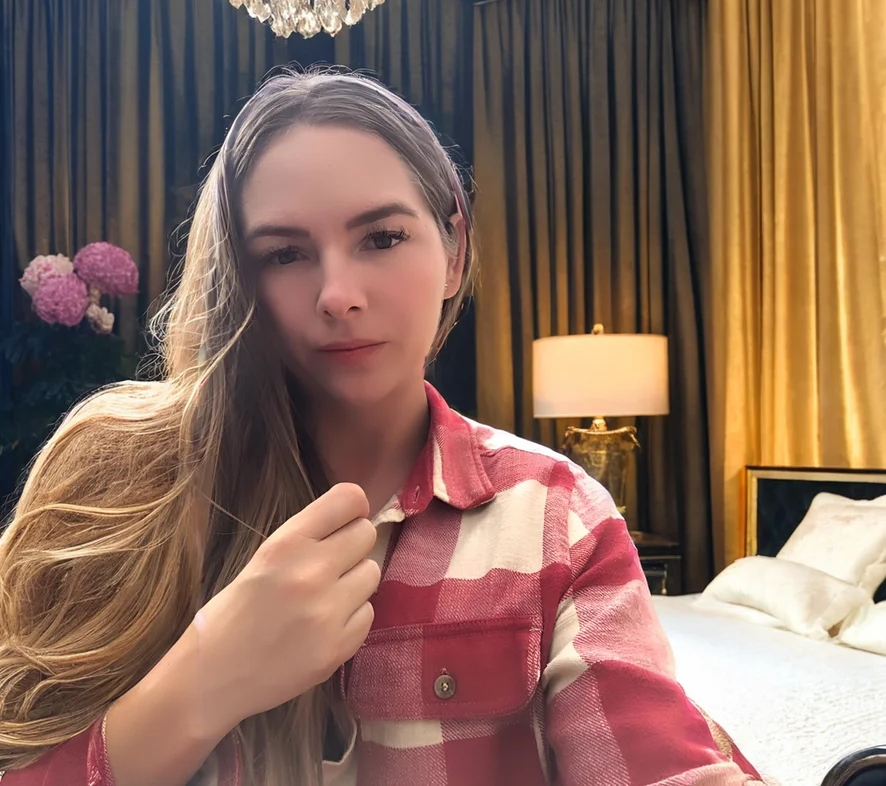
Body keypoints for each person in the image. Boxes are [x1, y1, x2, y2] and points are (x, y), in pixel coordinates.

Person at [0, 69, 764, 786]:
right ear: (237, 275)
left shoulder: (555, 517)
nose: (337, 294)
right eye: (285, 254)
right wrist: (204, 678)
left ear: (454, 251)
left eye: (382, 238)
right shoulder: (115, 479)